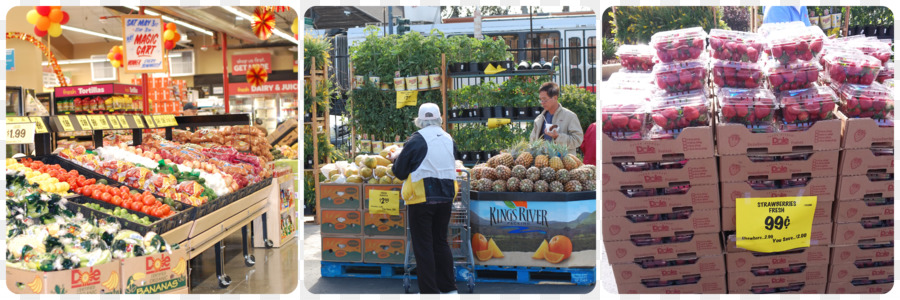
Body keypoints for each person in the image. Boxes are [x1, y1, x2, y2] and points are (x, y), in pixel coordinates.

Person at [392, 103, 459, 294]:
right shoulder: (448, 139)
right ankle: (448, 288)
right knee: (440, 241)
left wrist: (395, 159)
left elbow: (400, 171)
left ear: (420, 120)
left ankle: (429, 291)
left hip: (421, 197)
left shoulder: (416, 140)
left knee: (423, 246)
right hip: (445, 197)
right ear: (439, 118)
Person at [529, 82, 584, 155]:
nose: (542, 103)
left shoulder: (570, 116)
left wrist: (558, 137)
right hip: (543, 162)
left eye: (545, 99)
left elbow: (578, 140)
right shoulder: (539, 119)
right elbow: (532, 142)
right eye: (541, 100)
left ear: (555, 97)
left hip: (564, 163)